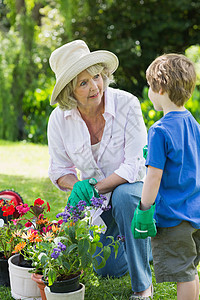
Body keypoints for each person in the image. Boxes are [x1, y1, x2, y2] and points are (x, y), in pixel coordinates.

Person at [47, 40, 152, 299]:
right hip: (98, 208)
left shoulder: (127, 104)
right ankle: (144, 245)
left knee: (124, 196)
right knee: (106, 268)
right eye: (83, 83)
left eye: (96, 77)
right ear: (69, 92)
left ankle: (143, 287)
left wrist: (94, 188)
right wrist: (75, 185)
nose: (95, 87)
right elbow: (59, 169)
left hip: (134, 197)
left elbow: (136, 166)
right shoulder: (59, 120)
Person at [131, 53, 200, 300]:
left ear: (160, 88)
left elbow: (153, 177)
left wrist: (144, 207)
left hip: (173, 217)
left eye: (150, 86)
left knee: (183, 274)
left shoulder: (159, 130)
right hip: (194, 213)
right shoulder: (193, 123)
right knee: (190, 269)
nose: (149, 92)